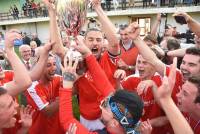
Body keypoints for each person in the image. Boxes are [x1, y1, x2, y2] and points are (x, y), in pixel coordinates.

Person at [59, 40, 152, 134]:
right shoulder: (132, 126)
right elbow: (103, 83)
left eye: (105, 105)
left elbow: (67, 120)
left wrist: (66, 85)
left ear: (115, 123)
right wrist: (88, 54)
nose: (101, 105)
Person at [0, 29, 33, 133]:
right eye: (9, 104)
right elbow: (25, 82)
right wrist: (9, 50)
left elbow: (29, 77)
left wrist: (24, 129)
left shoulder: (6, 75)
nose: (16, 105)